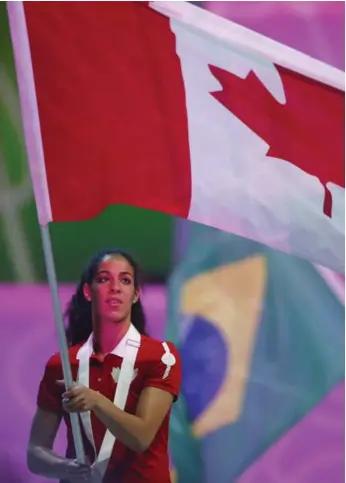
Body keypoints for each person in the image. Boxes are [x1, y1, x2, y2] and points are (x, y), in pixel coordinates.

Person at [27, 249, 181, 483]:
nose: (115, 287)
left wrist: (97, 401)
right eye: (104, 279)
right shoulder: (64, 364)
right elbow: (36, 452)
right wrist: (64, 467)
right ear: (88, 292)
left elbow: (141, 437)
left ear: (136, 294)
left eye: (125, 280)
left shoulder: (160, 356)